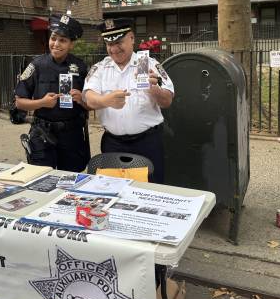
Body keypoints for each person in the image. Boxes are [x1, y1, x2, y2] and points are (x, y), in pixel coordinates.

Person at [83, 18, 174, 183]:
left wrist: (153, 88)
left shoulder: (149, 64)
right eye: (109, 44)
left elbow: (167, 100)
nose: (114, 49)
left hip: (147, 143)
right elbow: (89, 98)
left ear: (132, 38)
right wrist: (105, 100)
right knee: (112, 190)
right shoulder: (100, 68)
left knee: (150, 190)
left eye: (119, 42)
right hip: (113, 144)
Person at [15, 14, 90, 172]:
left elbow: (91, 104)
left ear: (71, 44)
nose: (56, 44)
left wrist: (82, 100)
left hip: (71, 134)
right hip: (42, 134)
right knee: (41, 179)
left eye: (63, 40)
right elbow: (19, 102)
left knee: (71, 180)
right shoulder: (37, 65)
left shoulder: (81, 67)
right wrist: (41, 103)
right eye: (53, 38)